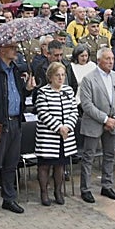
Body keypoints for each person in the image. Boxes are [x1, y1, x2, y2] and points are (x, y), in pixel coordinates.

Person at [0, 43, 34, 216]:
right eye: (12, 47)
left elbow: (18, 95)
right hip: (0, 123)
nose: (15, 50)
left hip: (15, 122)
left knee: (11, 163)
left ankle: (9, 198)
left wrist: (27, 89)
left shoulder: (15, 70)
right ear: (2, 50)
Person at [78, 47, 115, 203]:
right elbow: (86, 105)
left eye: (112, 59)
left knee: (110, 155)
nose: (111, 62)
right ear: (99, 60)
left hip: (114, 122)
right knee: (89, 157)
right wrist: (105, 119)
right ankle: (85, 189)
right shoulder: (88, 79)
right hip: (95, 123)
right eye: (107, 59)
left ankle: (107, 185)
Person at [33, 61, 79, 206]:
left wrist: (68, 127)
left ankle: (58, 191)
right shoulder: (43, 92)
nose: (60, 78)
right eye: (57, 75)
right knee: (45, 166)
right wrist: (59, 127)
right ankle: (44, 193)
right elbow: (43, 113)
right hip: (48, 137)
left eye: (63, 75)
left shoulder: (68, 91)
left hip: (65, 137)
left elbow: (74, 111)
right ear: (50, 77)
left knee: (60, 165)